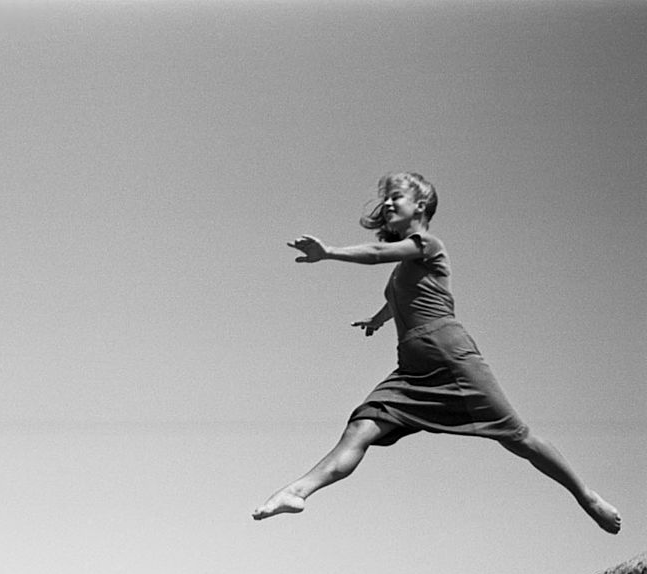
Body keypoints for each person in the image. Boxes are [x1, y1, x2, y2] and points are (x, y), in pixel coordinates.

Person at [251, 172, 621, 534]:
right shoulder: (405, 267)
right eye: (388, 197)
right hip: (411, 369)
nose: (389, 202)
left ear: (421, 205)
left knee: (516, 436)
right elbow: (399, 299)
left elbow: (379, 252)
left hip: (451, 359)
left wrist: (329, 252)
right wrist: (377, 320)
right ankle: (297, 492)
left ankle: (586, 497)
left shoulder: (428, 245)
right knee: (362, 426)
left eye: (398, 196)